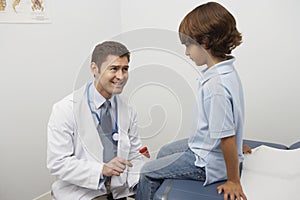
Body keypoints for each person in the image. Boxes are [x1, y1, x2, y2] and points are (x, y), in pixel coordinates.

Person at [136, 2, 248, 200]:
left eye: (188, 45)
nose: (187, 52)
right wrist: (239, 148)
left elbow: (227, 137)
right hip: (205, 147)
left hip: (207, 163)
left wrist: (233, 180)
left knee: (146, 171)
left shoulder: (216, 86)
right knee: (164, 151)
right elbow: (232, 118)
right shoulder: (226, 71)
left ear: (205, 42)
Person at [47, 41, 144, 200]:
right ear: (94, 69)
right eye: (113, 69)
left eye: (125, 69)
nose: (121, 76)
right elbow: (58, 163)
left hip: (118, 190)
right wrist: (101, 169)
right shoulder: (65, 109)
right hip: (83, 191)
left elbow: (135, 153)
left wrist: (138, 184)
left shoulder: (127, 107)